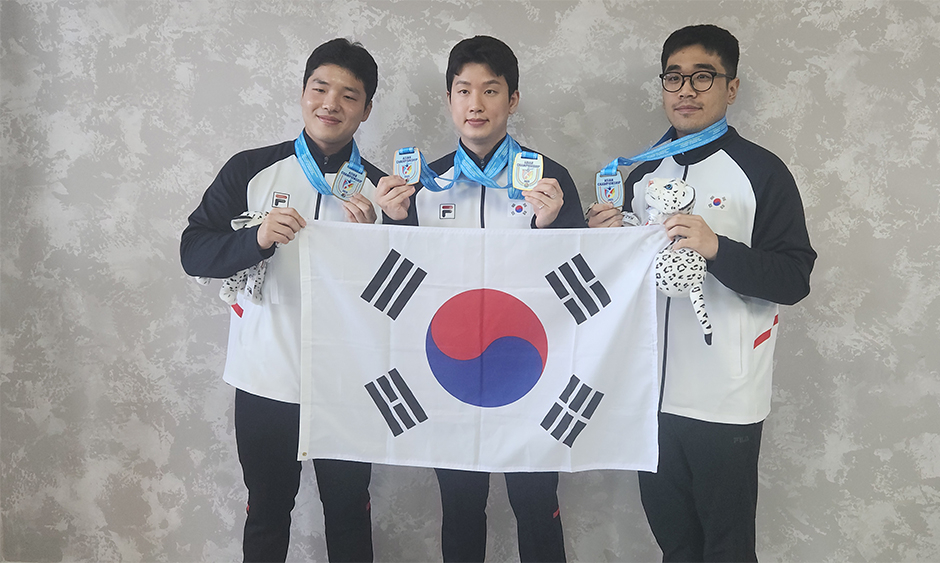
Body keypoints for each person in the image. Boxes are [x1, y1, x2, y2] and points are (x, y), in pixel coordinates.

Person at [587, 24, 816, 562]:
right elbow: (616, 287)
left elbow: (794, 277)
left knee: (727, 548)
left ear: (731, 88)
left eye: (702, 77)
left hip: (725, 395)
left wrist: (717, 248)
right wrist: (604, 244)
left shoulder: (762, 171)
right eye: (674, 77)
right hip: (649, 396)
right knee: (676, 545)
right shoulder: (639, 174)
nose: (685, 90)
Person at [376, 35, 585, 562]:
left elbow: (580, 283)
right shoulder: (423, 184)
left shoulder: (550, 179)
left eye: (490, 91)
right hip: (451, 369)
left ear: (512, 100)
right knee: (461, 506)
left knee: (536, 503)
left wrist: (552, 227)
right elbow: (397, 287)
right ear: (449, 99)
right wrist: (392, 223)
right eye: (464, 90)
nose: (476, 103)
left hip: (530, 370)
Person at [179, 39, 385, 562]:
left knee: (349, 514)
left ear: (366, 109)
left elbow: (411, 295)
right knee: (268, 513)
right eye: (320, 88)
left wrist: (376, 243)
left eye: (349, 95)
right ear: (302, 93)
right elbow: (193, 251)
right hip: (265, 379)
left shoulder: (383, 192)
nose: (330, 103)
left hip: (348, 385)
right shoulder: (250, 170)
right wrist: (256, 239)